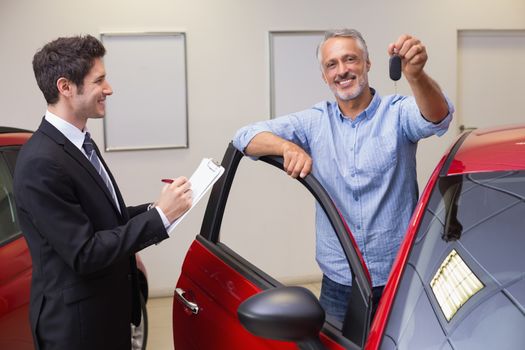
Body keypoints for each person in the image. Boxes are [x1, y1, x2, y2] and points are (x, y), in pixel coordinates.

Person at [233, 29, 453, 322]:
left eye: (350, 59)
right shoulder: (314, 121)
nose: (342, 70)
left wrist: (416, 76)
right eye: (331, 64)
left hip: (397, 277)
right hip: (339, 283)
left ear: (367, 64)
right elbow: (244, 136)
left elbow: (438, 116)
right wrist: (286, 146)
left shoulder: (396, 113)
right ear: (324, 76)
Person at [14, 35, 192, 350]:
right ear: (65, 87)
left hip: (104, 314)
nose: (109, 89)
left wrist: (158, 207)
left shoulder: (79, 143)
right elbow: (84, 253)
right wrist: (160, 217)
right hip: (77, 329)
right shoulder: (41, 162)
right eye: (99, 80)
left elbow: (105, 218)